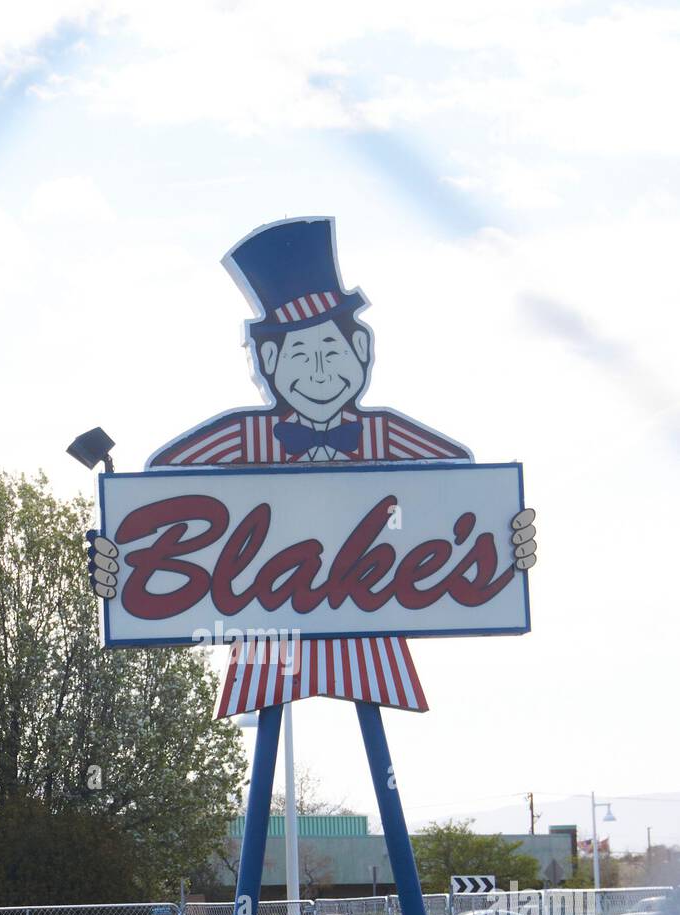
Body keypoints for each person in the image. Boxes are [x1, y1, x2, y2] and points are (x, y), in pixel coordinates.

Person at [88, 217, 536, 716]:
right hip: (268, 642)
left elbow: (465, 483)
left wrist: (505, 534)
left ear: (361, 350)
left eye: (331, 349)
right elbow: (159, 485)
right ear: (270, 360)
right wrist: (120, 551)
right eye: (301, 354)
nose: (319, 372)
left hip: (369, 629)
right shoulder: (241, 438)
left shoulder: (385, 435)